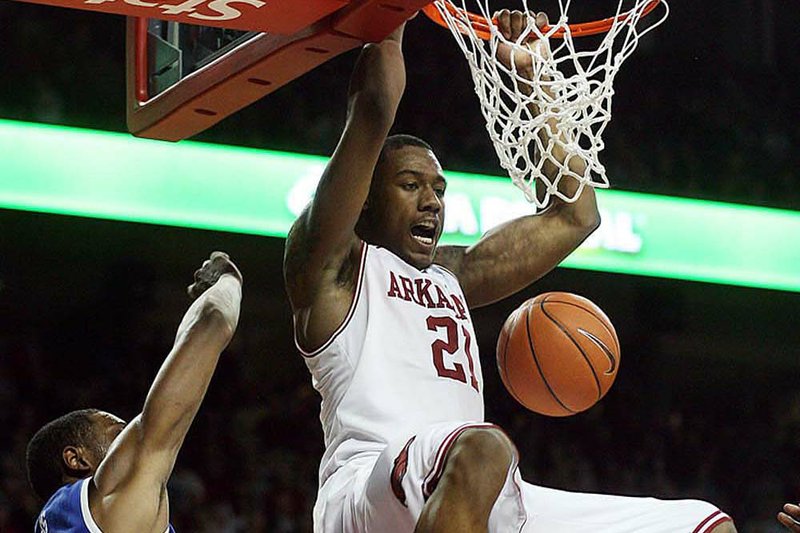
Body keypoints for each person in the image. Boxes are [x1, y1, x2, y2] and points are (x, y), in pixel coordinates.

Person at [283, 11, 735, 533]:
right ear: (363, 203)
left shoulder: (454, 274)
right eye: (411, 185)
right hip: (368, 493)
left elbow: (575, 215)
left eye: (439, 190)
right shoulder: (333, 267)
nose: (432, 202)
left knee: (708, 525)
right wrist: (392, 19)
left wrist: (531, 80)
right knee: (482, 445)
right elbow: (375, 107)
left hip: (472, 485)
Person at [26, 252, 242, 533]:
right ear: (77, 460)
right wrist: (229, 279)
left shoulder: (60, 521)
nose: (129, 433)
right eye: (117, 432)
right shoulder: (107, 496)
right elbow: (211, 325)